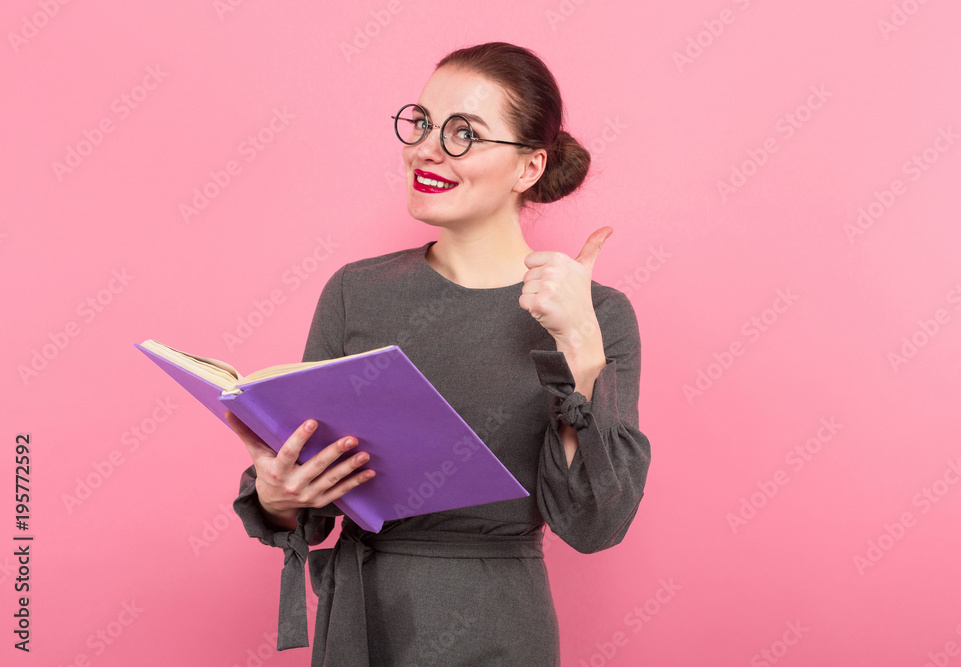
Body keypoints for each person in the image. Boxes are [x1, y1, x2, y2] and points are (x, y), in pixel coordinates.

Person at [227, 41, 651, 666]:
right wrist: (280, 497)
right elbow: (306, 504)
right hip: (361, 629)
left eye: (463, 134)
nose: (426, 148)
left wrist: (580, 349)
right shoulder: (356, 291)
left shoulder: (597, 315)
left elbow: (594, 524)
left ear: (528, 168)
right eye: (423, 123)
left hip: (499, 630)